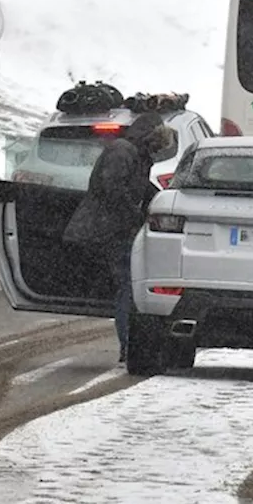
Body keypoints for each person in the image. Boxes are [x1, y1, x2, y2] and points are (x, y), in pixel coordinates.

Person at [63, 112, 175, 364]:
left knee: (128, 285)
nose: (158, 151)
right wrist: (135, 214)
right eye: (158, 144)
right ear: (151, 138)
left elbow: (137, 187)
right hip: (109, 229)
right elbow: (113, 188)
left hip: (114, 228)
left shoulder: (134, 153)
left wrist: (163, 199)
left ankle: (129, 343)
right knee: (129, 285)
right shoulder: (123, 151)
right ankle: (129, 344)